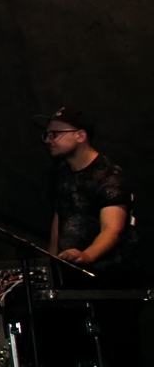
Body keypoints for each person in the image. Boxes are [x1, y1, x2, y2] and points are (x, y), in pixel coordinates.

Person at [41, 108, 134, 273]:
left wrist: (87, 255)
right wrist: (51, 261)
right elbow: (60, 215)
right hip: (69, 271)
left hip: (107, 275)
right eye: (47, 135)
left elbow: (113, 229)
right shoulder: (60, 172)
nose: (48, 140)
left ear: (80, 136)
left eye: (54, 134)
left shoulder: (109, 176)